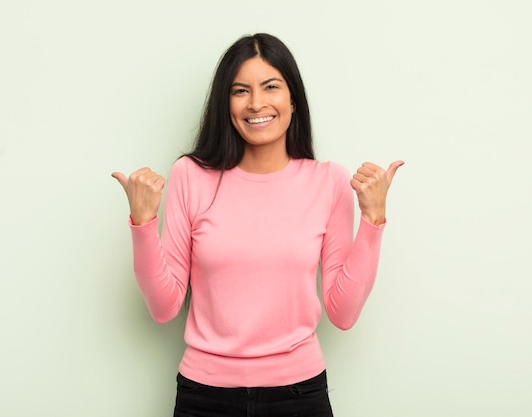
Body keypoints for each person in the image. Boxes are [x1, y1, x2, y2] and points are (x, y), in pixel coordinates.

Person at [112, 33, 403, 417]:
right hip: (205, 397)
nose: (256, 103)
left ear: (293, 99)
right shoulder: (191, 176)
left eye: (271, 87)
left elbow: (343, 314)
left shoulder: (329, 181)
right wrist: (143, 223)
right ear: (225, 103)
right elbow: (164, 308)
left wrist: (373, 219)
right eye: (240, 91)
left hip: (299, 396)